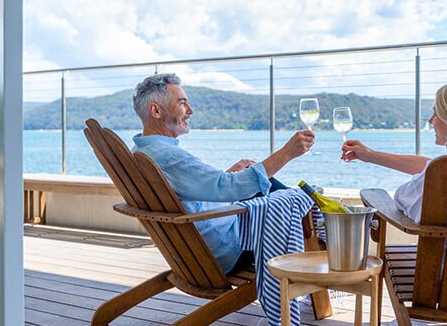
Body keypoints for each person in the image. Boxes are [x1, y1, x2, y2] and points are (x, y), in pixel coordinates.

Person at [131, 72, 314, 273]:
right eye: (182, 103)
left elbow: (191, 195)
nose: (190, 110)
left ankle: (320, 215)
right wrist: (287, 153)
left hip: (194, 249)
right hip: (226, 248)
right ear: (156, 110)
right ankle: (324, 225)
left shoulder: (142, 152)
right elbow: (230, 188)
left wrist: (229, 175)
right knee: (293, 202)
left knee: (260, 182)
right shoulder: (169, 157)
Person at [341, 80, 447, 222]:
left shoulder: (441, 180)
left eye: (436, 113)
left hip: (441, 256)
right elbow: (436, 166)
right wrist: (371, 155)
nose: (431, 121)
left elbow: (402, 199)